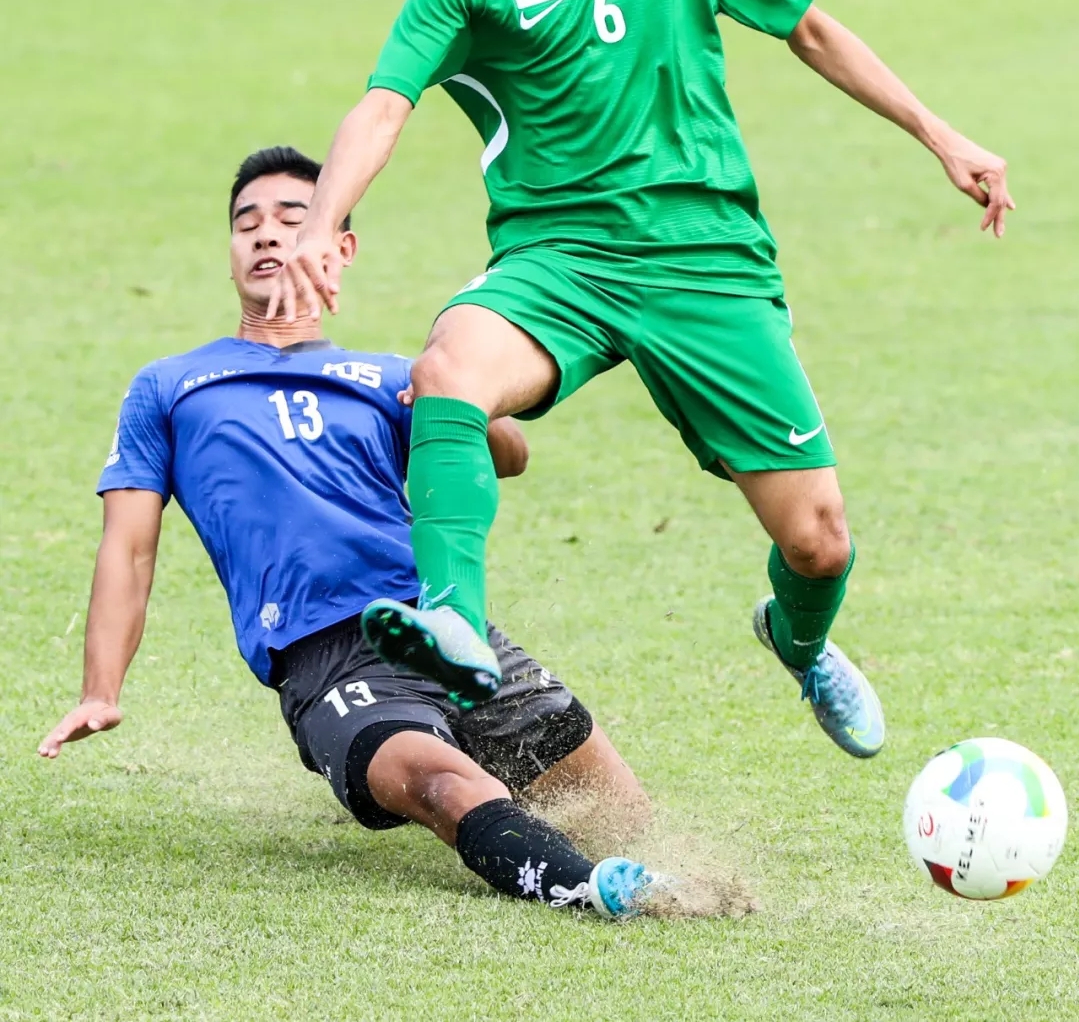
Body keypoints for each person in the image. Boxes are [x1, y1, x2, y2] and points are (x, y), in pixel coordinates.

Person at [268, 0, 1014, 755]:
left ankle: (799, 642)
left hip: (707, 261)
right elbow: (384, 102)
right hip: (560, 260)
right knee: (449, 371)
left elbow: (808, 27)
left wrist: (939, 133)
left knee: (819, 541)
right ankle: (452, 617)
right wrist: (323, 218)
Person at [38, 146, 666, 921]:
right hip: (328, 656)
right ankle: (591, 889)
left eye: (291, 219)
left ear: (339, 246)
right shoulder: (170, 386)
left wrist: (453, 388)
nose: (265, 234)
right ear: (231, 254)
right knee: (445, 785)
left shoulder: (387, 376)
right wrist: (100, 689)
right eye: (246, 223)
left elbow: (510, 455)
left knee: (621, 811)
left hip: (447, 630)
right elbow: (129, 548)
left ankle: (599, 855)